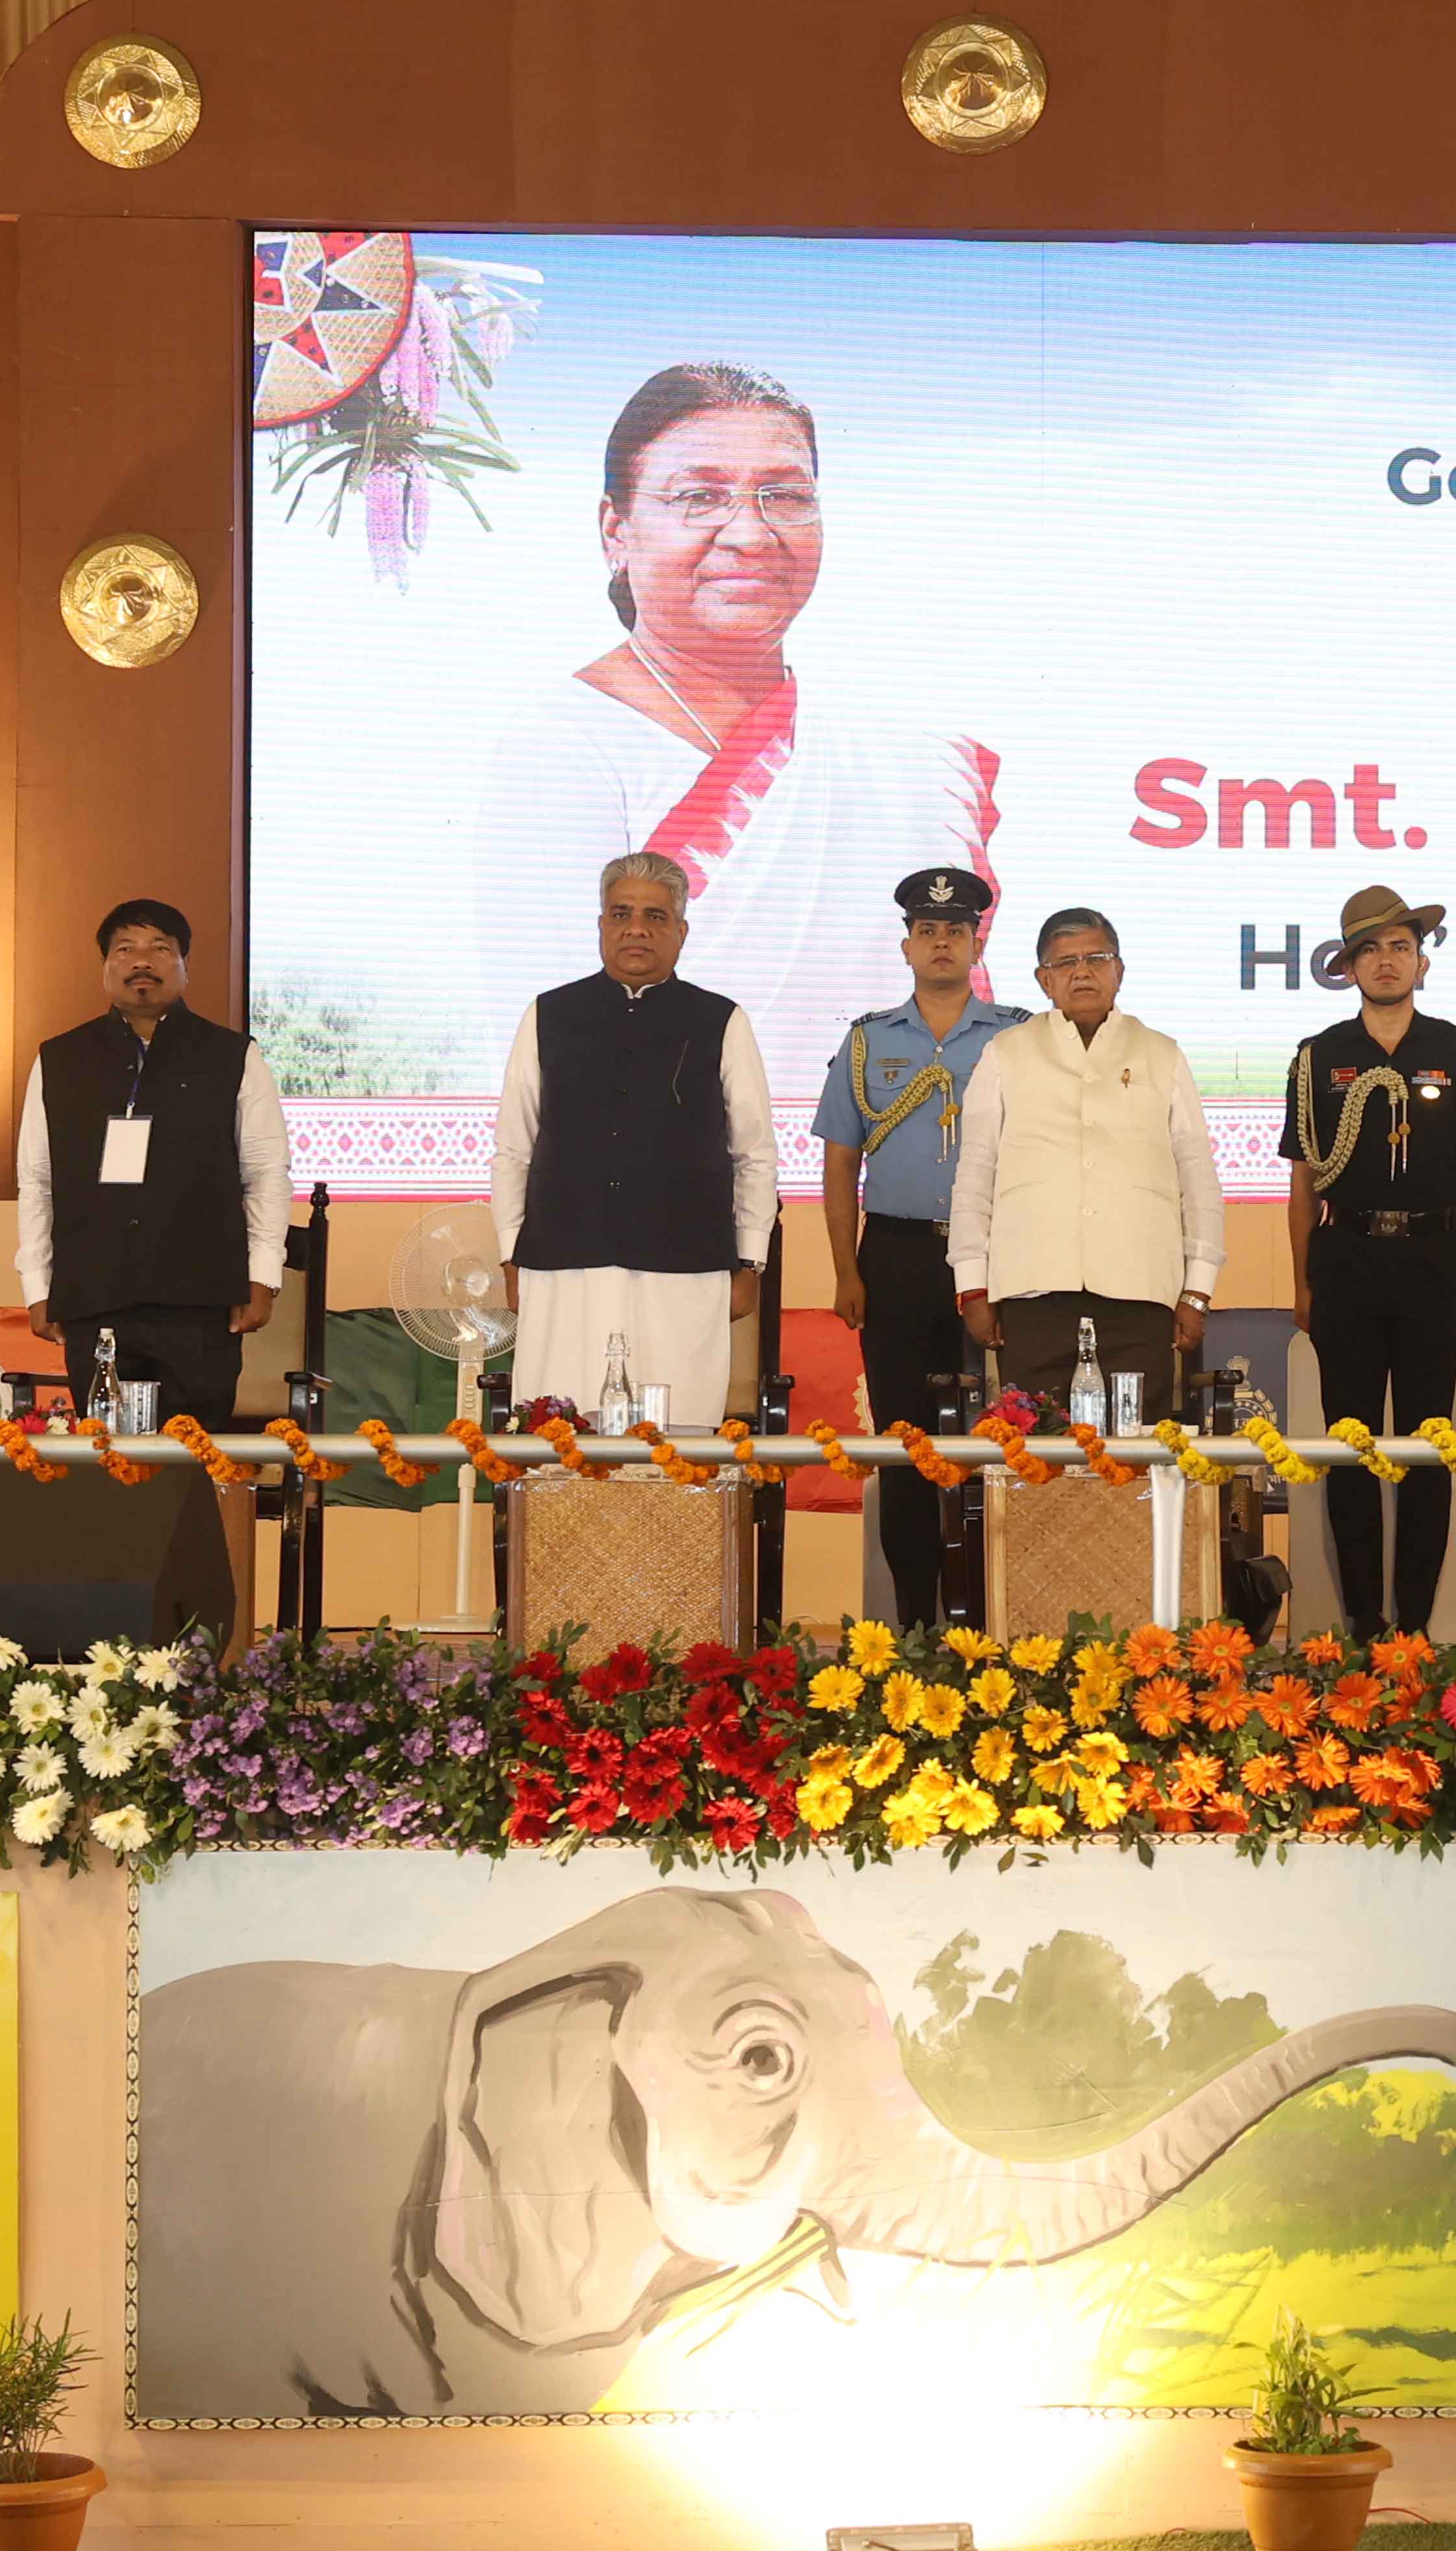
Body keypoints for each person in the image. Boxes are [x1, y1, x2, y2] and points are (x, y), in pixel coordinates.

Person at [437, 363, 1001, 1102]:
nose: (750, 534)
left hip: (895, 1155)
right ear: (616, 530)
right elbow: (557, 1046)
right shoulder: (565, 745)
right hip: (659, 1159)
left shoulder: (914, 760)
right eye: (699, 497)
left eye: (786, 496)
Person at [490, 857, 781, 1419]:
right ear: (602, 924)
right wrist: (510, 1255)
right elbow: (513, 1148)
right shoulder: (549, 1014)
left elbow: (755, 1154)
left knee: (676, 1436)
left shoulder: (721, 1020)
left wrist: (751, 1262)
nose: (637, 929)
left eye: (656, 916)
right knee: (560, 1437)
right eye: (621, 914)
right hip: (563, 1263)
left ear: (681, 931)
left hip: (685, 1266)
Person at [1281, 884, 1456, 1638]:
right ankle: (1365, 1624)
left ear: (1422, 962)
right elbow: (1303, 1185)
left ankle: (1415, 1626)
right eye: (1369, 949)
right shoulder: (1318, 1057)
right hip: (1345, 1260)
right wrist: (1302, 1282)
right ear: (1348, 967)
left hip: (1434, 1261)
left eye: (1400, 947)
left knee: (1428, 1448)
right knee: (1351, 1447)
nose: (1386, 961)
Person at [815, 867, 1027, 1624]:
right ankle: (914, 1623)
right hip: (897, 1258)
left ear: (977, 944)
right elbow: (841, 1163)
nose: (942, 943)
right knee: (904, 1444)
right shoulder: (869, 1041)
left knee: (996, 1440)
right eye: (927, 931)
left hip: (995, 1260)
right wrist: (846, 1270)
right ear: (907, 946)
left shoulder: (1017, 1037)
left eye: (956, 931)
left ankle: (990, 1620)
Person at [17, 900, 291, 1428]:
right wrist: (38, 1285)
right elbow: (36, 1180)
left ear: (185, 966)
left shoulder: (234, 1055)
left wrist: (262, 1277)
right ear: (105, 967)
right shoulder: (59, 1059)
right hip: (94, 1295)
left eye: (160, 948)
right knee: (108, 1457)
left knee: (197, 1453)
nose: (142, 960)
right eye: (125, 949)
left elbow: (265, 1174)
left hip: (199, 1297)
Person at [950, 907, 1222, 1408]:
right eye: (1066, 963)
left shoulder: (1161, 1054)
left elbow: (1198, 1177)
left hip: (1140, 1292)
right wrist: (972, 1286)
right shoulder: (1006, 1052)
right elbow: (974, 1175)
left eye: (1096, 959)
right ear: (1044, 980)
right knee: (1038, 1445)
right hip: (1033, 1291)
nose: (1082, 972)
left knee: (1137, 1444)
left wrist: (1197, 1290)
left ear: (1119, 970)